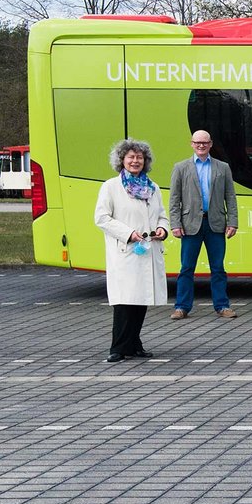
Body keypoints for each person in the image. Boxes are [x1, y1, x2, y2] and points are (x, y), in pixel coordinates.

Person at [94, 139, 170, 363]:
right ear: (122, 160)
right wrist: (129, 233)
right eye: (131, 157)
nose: (136, 161)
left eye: (140, 158)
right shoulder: (111, 187)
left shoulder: (152, 187)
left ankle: (134, 344)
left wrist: (162, 230)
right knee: (125, 301)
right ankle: (118, 347)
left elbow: (162, 215)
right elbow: (101, 218)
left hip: (147, 250)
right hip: (126, 250)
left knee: (141, 299)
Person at [169, 130, 239, 320]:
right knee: (186, 268)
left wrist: (233, 221)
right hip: (190, 224)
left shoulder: (222, 167)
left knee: (218, 268)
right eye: (197, 142)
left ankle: (222, 306)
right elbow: (174, 199)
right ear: (192, 144)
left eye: (205, 142)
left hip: (215, 223)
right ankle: (182, 307)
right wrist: (175, 223)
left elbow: (230, 197)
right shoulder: (181, 168)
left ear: (211, 144)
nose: (201, 145)